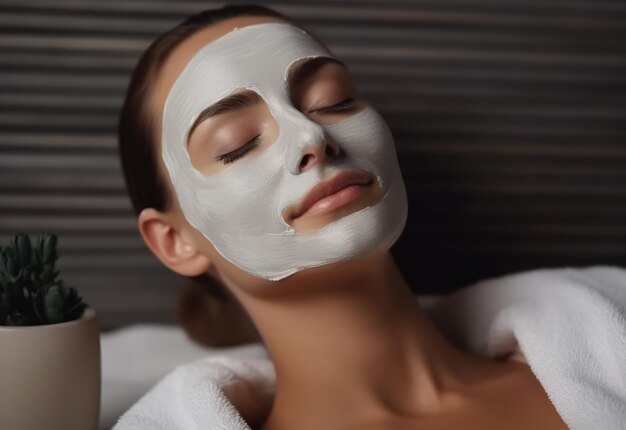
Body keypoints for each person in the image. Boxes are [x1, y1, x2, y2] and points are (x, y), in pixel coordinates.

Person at [117, 4, 570, 429]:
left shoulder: (602, 362)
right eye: (236, 145)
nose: (312, 136)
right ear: (175, 242)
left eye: (333, 101)